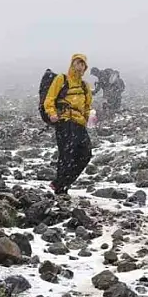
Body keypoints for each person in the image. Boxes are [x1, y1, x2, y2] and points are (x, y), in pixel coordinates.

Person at [42, 53, 93, 196]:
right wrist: (52, 113)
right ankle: (61, 189)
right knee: (66, 156)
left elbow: (87, 105)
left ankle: (61, 182)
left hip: (79, 124)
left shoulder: (84, 85)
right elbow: (49, 99)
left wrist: (86, 118)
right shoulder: (62, 79)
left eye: (83, 64)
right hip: (65, 122)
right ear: (72, 64)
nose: (80, 66)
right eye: (78, 62)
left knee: (86, 154)